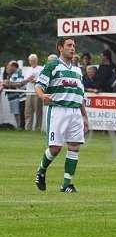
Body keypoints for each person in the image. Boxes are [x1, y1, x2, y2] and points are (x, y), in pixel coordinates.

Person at [34, 37, 89, 193]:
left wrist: (85, 116)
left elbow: (80, 96)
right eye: (69, 45)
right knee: (55, 148)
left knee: (74, 146)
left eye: (74, 46)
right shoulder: (52, 66)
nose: (72, 48)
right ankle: (41, 171)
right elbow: (39, 85)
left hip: (75, 113)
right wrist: (42, 96)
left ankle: (66, 184)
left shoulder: (78, 70)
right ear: (60, 48)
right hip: (58, 110)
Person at [3, 61, 33, 129]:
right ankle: (19, 127)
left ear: (14, 66)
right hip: (15, 97)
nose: (8, 67)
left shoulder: (19, 73)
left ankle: (20, 127)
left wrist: (8, 83)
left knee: (19, 113)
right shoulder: (12, 74)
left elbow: (18, 84)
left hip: (20, 96)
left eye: (9, 66)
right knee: (17, 112)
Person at [24, 54, 44, 131]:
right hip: (28, 92)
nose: (32, 62)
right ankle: (28, 128)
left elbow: (43, 80)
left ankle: (38, 128)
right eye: (31, 60)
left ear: (37, 60)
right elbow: (25, 80)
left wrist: (35, 80)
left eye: (34, 60)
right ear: (29, 61)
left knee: (38, 111)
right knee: (28, 111)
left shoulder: (41, 69)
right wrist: (29, 79)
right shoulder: (27, 70)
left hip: (37, 92)